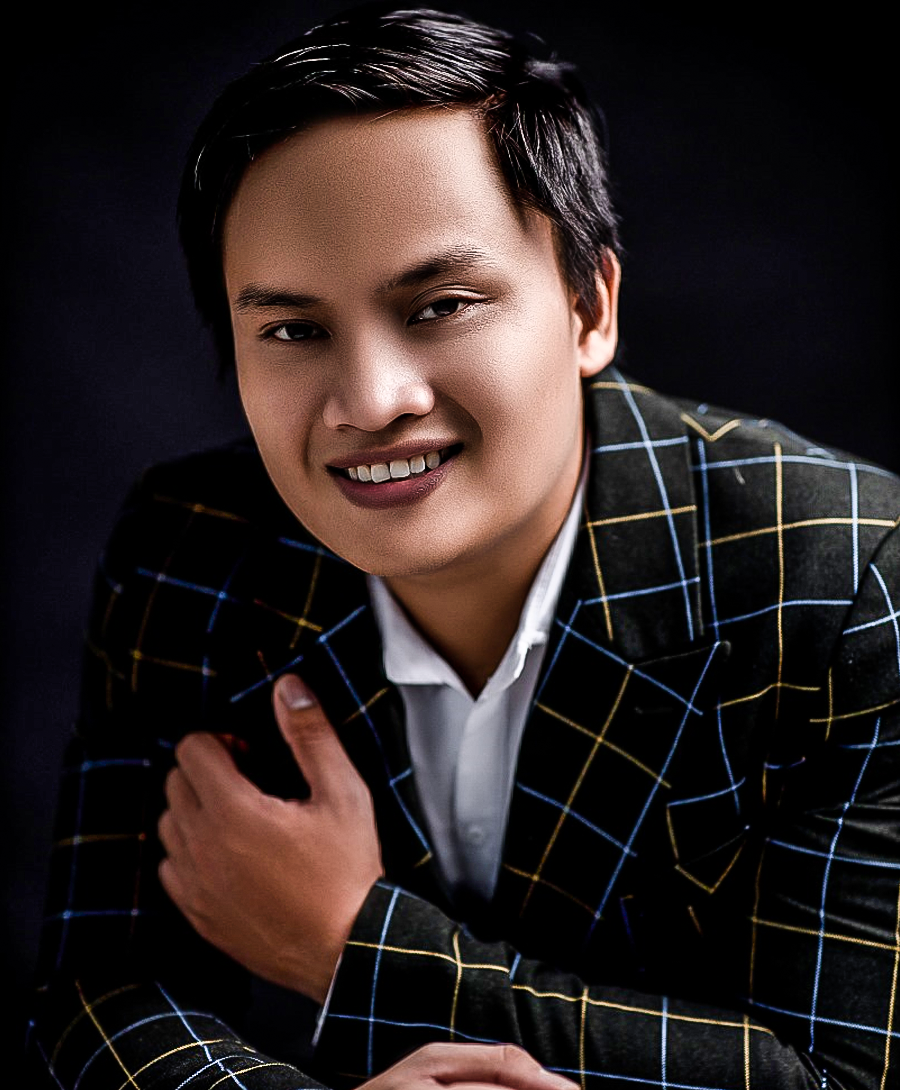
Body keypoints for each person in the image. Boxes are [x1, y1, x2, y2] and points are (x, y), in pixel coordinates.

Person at [25, 6, 900, 1089]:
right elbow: (99, 992)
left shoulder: (844, 582)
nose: (371, 401)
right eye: (294, 330)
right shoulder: (189, 547)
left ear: (589, 307)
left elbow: (847, 1077)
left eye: (440, 305)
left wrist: (351, 945)